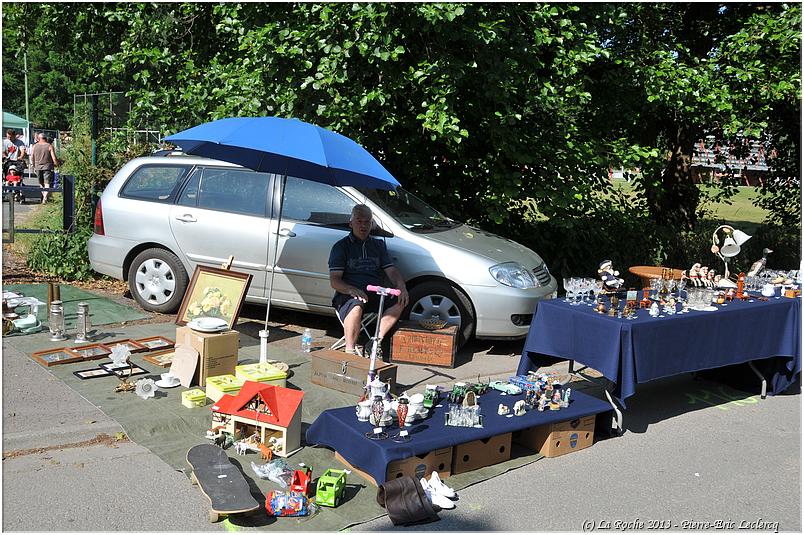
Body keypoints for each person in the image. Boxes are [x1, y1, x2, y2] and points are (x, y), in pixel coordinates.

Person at [329, 204, 409, 357]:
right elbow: (334, 281)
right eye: (359, 221)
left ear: (372, 224)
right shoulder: (341, 247)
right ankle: (350, 352)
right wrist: (351, 290)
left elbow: (391, 271)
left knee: (401, 299)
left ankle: (375, 341)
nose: (363, 225)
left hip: (374, 291)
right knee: (356, 305)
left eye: (367, 222)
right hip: (348, 294)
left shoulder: (378, 245)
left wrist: (401, 287)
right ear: (350, 223)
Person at [29, 132, 60, 204]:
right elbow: (54, 158)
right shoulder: (49, 146)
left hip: (38, 167)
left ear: (38, 139)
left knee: (41, 183)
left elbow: (32, 157)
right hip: (47, 167)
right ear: (45, 138)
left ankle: (44, 196)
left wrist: (33, 166)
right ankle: (45, 197)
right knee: (47, 182)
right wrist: (57, 164)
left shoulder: (34, 146)